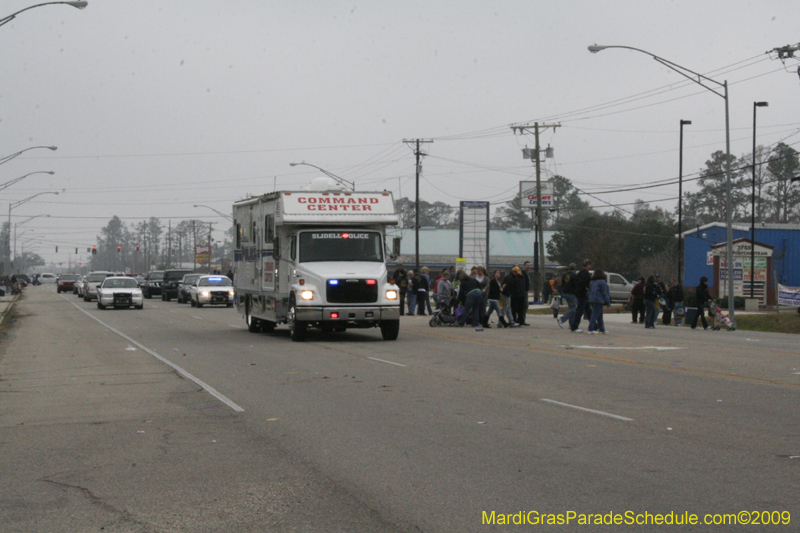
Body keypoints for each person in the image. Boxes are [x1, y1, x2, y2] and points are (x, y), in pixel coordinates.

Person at [569, 259, 593, 333]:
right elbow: (582, 283)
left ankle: (594, 325)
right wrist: (587, 288)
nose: (591, 266)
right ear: (587, 265)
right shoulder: (584, 273)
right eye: (590, 264)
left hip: (582, 294)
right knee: (580, 310)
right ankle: (574, 326)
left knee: (588, 311)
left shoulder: (581, 272)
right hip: (582, 294)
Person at [587, 269, 611, 334]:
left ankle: (601, 329)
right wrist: (608, 302)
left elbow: (589, 291)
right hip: (599, 300)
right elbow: (605, 292)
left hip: (592, 299)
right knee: (595, 315)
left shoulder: (592, 281)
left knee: (599, 315)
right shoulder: (602, 282)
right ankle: (591, 329)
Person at [556, 264, 578, 329]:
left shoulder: (566, 275)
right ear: (575, 269)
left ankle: (571, 324)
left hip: (565, 292)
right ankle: (562, 319)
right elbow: (576, 284)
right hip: (572, 293)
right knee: (573, 308)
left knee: (571, 308)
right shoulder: (574, 275)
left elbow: (563, 283)